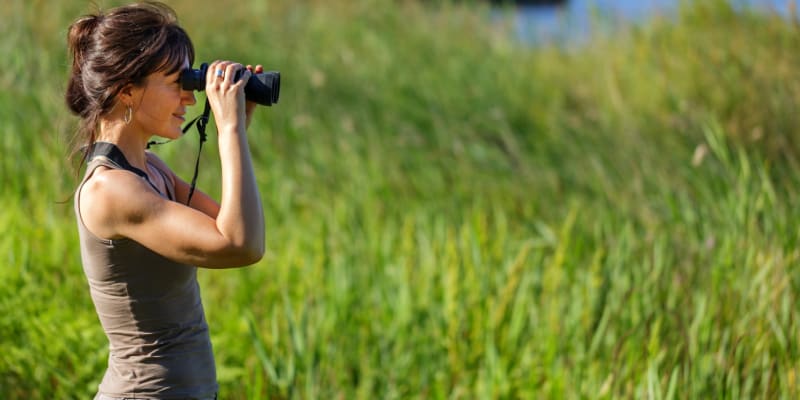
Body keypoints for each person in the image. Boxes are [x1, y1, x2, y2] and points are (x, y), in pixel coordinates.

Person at [65, 2, 266, 398]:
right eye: (177, 83)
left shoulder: (151, 170)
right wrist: (228, 131)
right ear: (127, 90)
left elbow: (231, 225)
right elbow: (242, 245)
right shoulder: (111, 192)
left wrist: (238, 124)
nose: (189, 100)